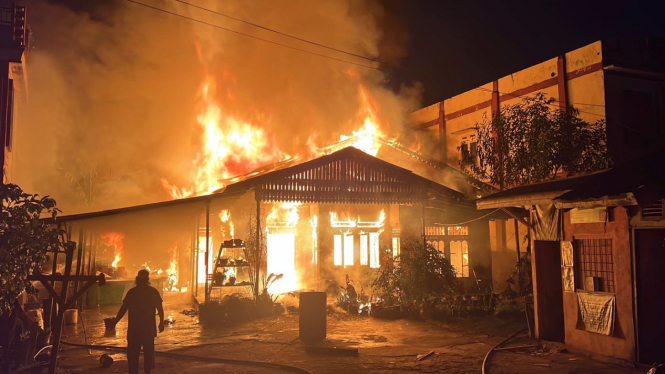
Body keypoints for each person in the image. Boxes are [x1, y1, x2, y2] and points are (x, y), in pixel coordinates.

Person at [112, 270, 164, 374]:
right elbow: (160, 308)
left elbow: (123, 309)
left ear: (137, 279)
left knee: (132, 356)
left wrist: (115, 321)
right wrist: (161, 322)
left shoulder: (132, 292)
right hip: (148, 330)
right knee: (148, 355)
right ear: (148, 279)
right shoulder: (153, 292)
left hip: (134, 331)